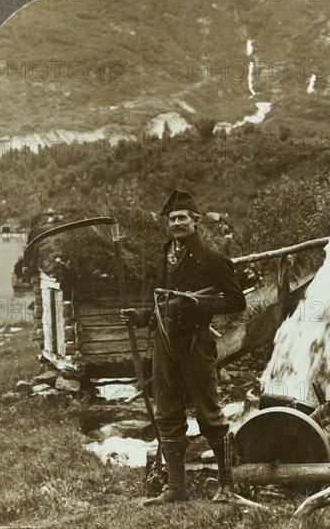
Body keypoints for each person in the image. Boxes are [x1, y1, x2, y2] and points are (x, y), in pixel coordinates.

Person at [121, 189, 246, 504]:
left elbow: (236, 301)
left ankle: (226, 485)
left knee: (209, 415)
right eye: (172, 219)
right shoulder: (165, 256)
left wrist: (196, 307)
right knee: (168, 414)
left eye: (182, 218)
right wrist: (141, 317)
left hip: (195, 346)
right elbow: (162, 304)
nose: (176, 223)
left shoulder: (213, 259)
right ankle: (176, 488)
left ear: (196, 221)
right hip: (165, 348)